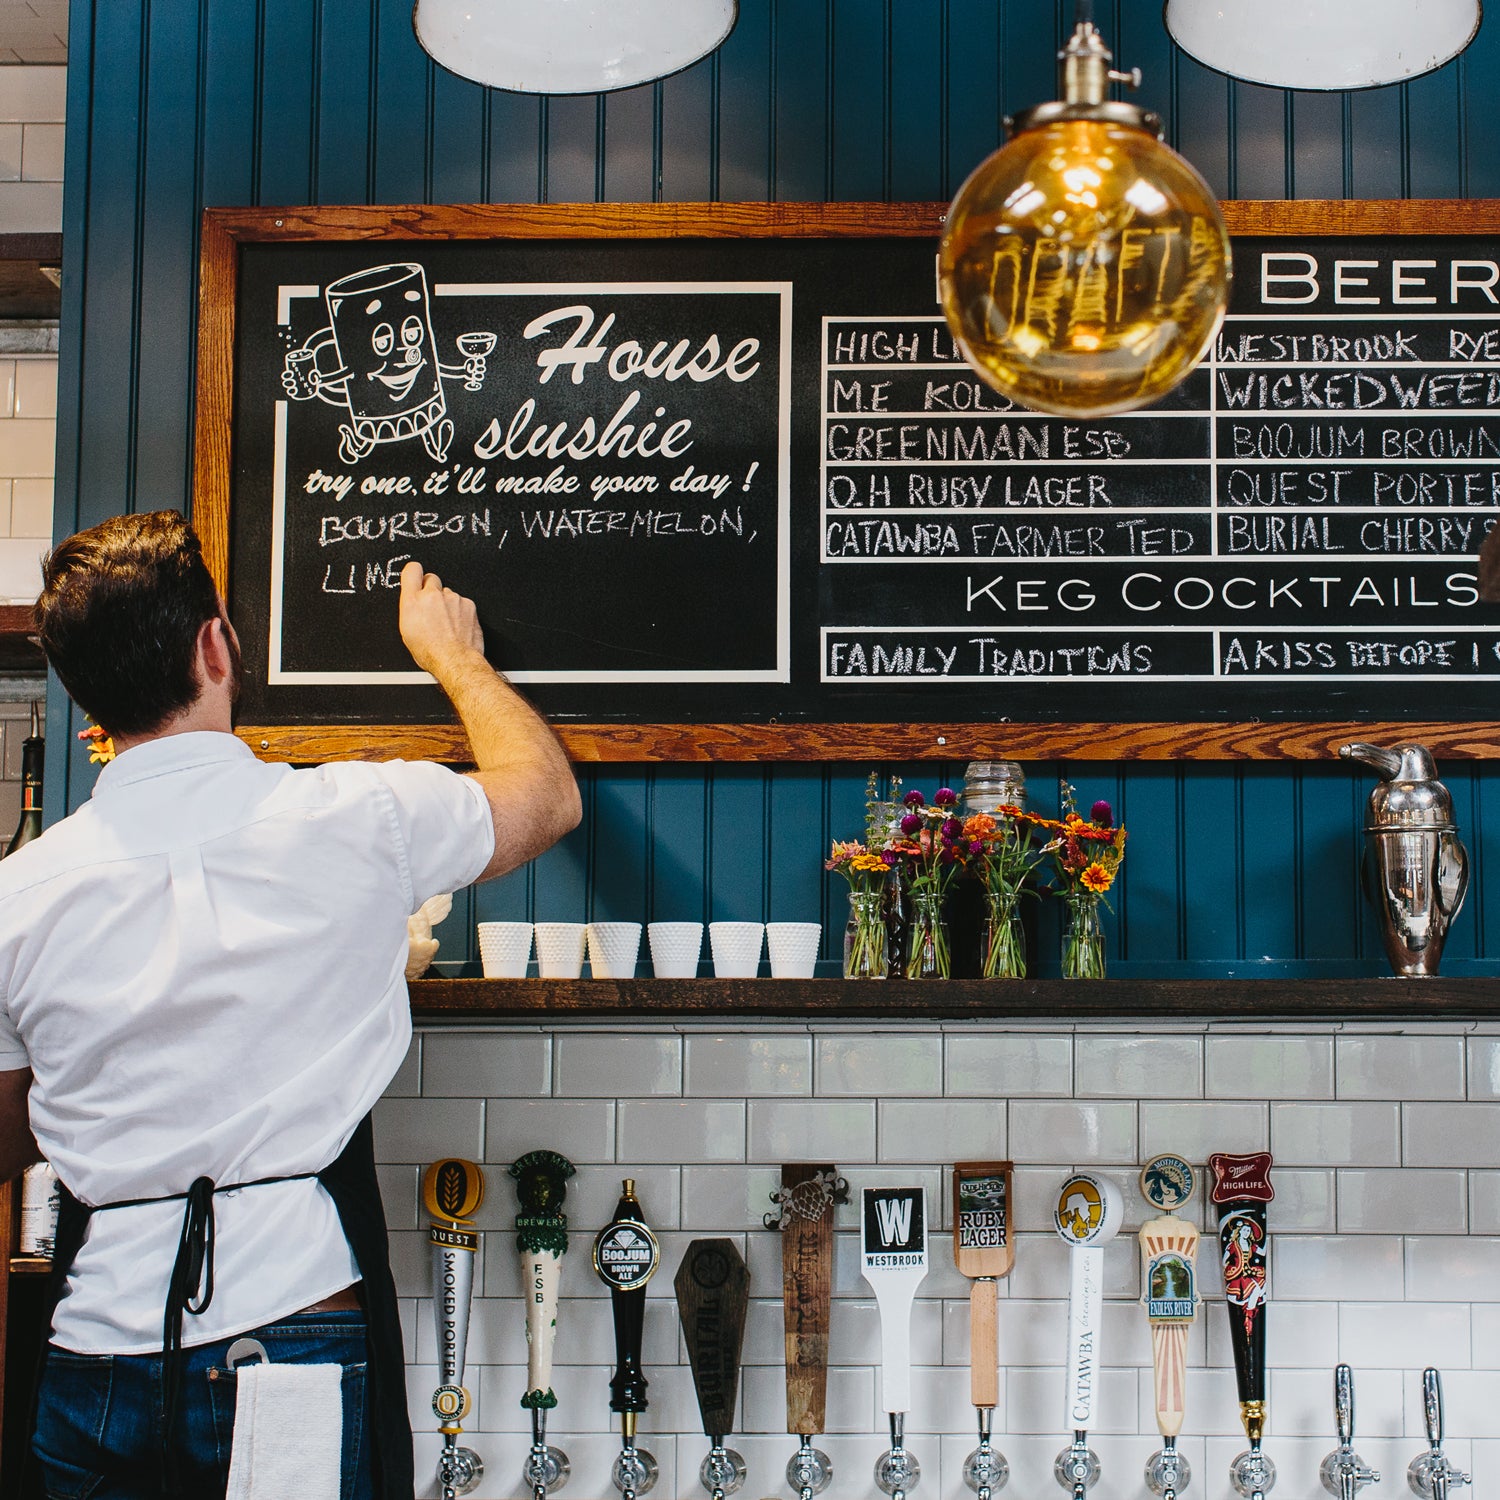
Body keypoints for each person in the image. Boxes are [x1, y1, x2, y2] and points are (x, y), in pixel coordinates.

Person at [0, 510, 581, 1499]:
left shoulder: (19, 892)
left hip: (95, 1353)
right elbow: (543, 796)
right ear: (214, 643)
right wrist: (454, 659)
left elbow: (8, 1131)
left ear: (80, 689)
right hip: (292, 1328)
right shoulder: (353, 818)